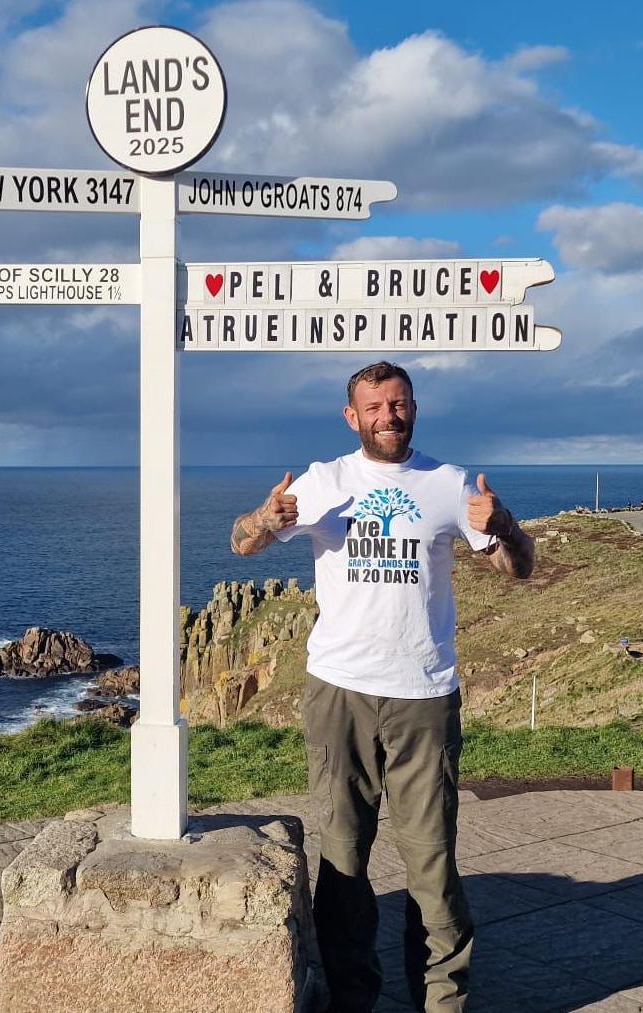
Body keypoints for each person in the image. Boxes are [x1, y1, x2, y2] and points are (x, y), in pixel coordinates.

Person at [229, 361, 536, 1013]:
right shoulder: (325, 482)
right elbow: (241, 545)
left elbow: (520, 567)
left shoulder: (448, 484)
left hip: (424, 696)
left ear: (414, 407)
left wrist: (503, 522)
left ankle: (442, 1000)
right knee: (343, 859)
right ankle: (352, 997)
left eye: (397, 404)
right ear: (353, 416)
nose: (387, 415)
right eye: (374, 406)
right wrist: (264, 516)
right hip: (339, 692)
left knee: (432, 861)